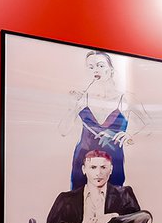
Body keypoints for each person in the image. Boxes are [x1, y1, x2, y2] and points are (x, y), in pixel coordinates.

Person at [29, 150, 152, 223]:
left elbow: (138, 222)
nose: (98, 173)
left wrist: (111, 217)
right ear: (84, 169)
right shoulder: (65, 199)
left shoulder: (124, 193)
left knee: (146, 217)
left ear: (111, 169)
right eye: (93, 167)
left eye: (103, 167)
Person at [58, 50, 152, 189]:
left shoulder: (125, 98)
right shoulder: (82, 98)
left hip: (113, 161)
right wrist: (72, 107)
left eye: (100, 65)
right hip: (84, 161)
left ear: (111, 70)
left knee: (114, 199)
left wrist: (130, 136)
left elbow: (149, 126)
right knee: (79, 199)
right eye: (91, 67)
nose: (96, 70)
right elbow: (63, 130)